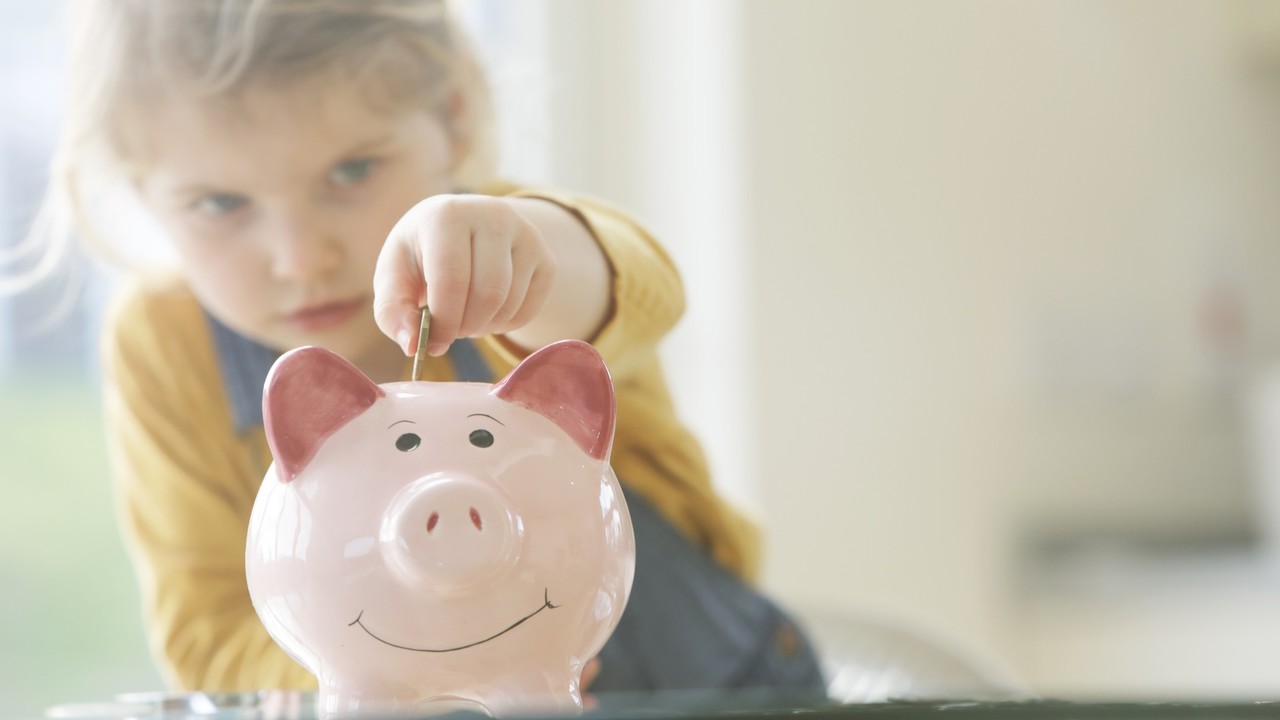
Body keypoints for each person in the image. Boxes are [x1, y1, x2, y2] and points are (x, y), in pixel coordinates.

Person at [33, 0, 827, 703]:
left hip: (706, 688)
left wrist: (525, 257)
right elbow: (209, 641)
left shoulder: (516, 255)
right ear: (143, 195)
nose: (301, 257)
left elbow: (645, 291)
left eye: (351, 171)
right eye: (219, 204)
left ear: (454, 118)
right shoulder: (166, 345)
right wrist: (400, 673)